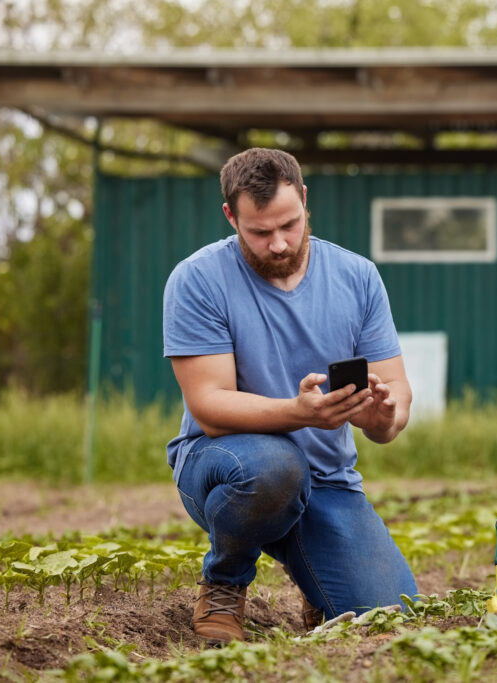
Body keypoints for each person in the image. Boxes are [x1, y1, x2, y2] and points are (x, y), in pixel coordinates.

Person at [162, 148, 418, 644]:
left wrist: (383, 416)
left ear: (303, 200)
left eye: (290, 225)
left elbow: (397, 395)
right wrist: (298, 414)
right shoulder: (197, 280)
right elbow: (210, 407)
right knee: (277, 466)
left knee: (391, 619)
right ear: (230, 217)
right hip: (226, 463)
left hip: (327, 480)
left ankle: (315, 577)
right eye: (259, 232)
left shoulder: (358, 277)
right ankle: (225, 582)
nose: (278, 244)